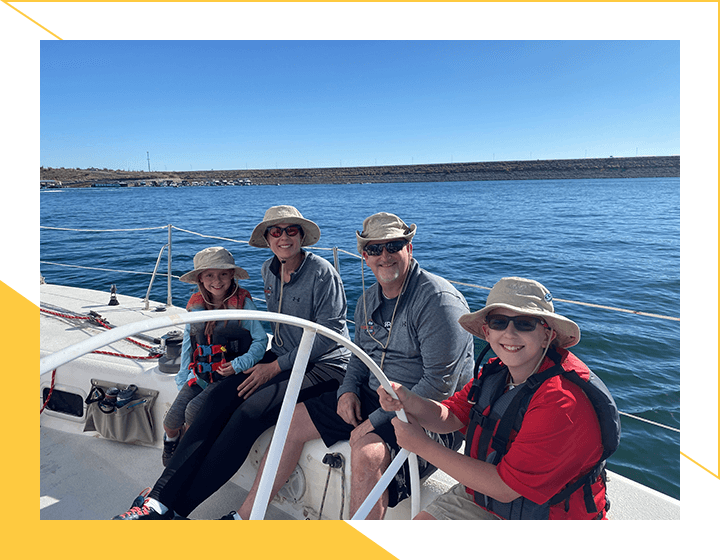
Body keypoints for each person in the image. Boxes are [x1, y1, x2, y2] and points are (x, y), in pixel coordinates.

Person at [112, 206, 350, 520]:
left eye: (290, 229)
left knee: (248, 414)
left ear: (301, 234)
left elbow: (330, 336)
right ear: (267, 238)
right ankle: (157, 501)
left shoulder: (321, 272)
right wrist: (267, 362)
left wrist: (273, 368)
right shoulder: (269, 270)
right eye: (275, 231)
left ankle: (178, 510)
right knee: (216, 400)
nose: (283, 237)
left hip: (324, 366)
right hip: (281, 357)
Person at [235, 212, 474, 520]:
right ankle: (244, 518)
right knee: (292, 421)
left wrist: (373, 421)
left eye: (393, 246)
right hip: (375, 395)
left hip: (429, 412)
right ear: (364, 255)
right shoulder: (368, 299)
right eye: (374, 249)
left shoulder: (438, 301)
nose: (384, 256)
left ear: (409, 249)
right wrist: (347, 390)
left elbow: (439, 385)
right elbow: (360, 355)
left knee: (368, 452)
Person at [378, 276, 617, 520]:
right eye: (499, 322)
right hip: (486, 497)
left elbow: (504, 488)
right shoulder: (496, 373)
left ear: (547, 335)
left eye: (525, 323)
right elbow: (452, 416)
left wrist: (421, 445)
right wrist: (409, 400)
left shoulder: (560, 400)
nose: (509, 333)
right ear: (487, 331)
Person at [161, 247, 268, 466]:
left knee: (192, 412)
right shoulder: (196, 306)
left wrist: (239, 364)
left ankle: (189, 454)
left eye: (223, 274)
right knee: (171, 420)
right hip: (201, 375)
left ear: (232, 275)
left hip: (229, 376)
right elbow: (189, 344)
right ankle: (172, 442)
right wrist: (183, 378)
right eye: (209, 275)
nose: (216, 281)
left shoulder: (244, 304)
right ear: (200, 278)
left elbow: (261, 341)